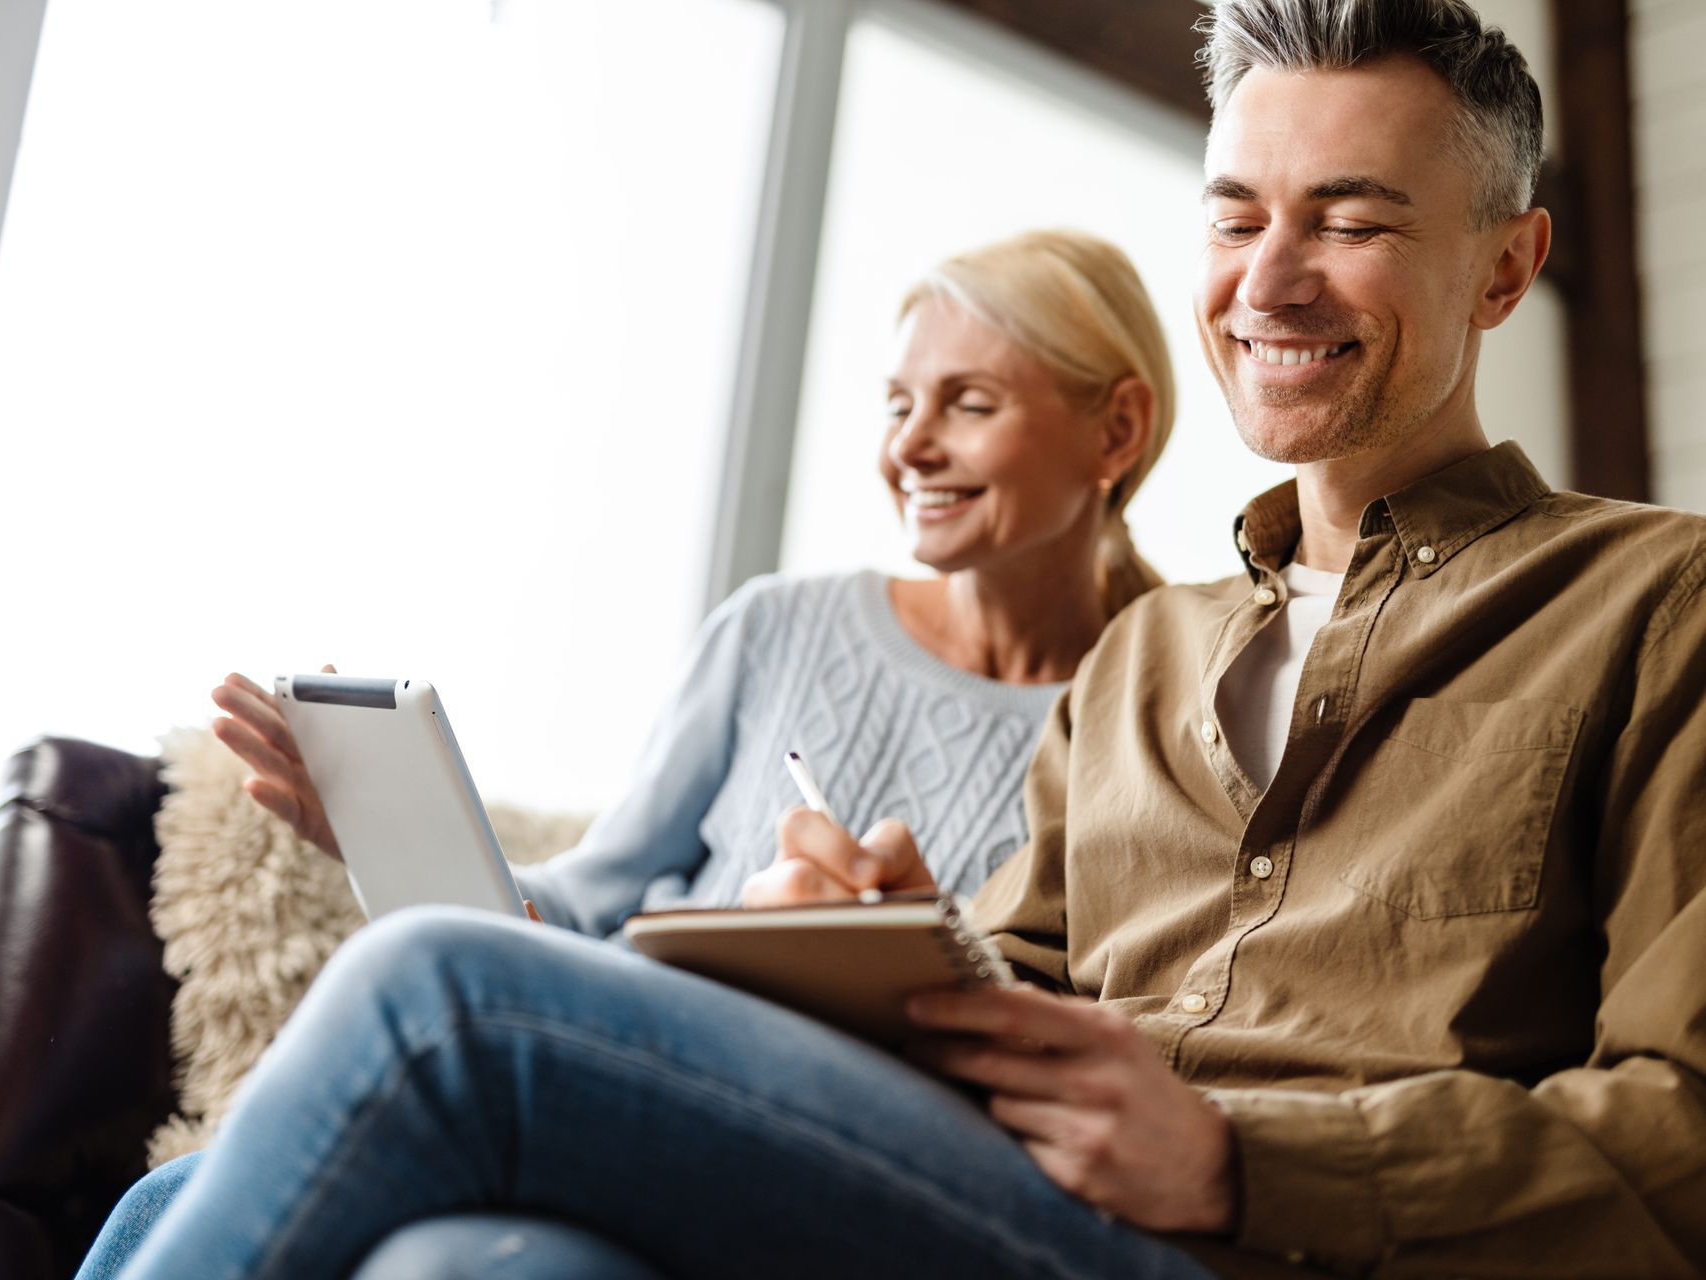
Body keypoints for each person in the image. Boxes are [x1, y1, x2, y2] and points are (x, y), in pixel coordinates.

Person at [113, 1, 1706, 1274]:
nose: (1269, 279)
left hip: (1271, 1245)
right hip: (1012, 1213)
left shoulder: (1657, 607)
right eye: (1236, 219)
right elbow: (1007, 992)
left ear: (1508, 264)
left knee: (436, 998)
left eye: (1349, 220)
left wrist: (1237, 1158)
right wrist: (872, 953)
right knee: (477, 1264)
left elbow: (1687, 1130)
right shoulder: (1143, 668)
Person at [74, 227, 1183, 1278]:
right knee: (188, 1210)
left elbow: (1121, 1037)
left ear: (1116, 431)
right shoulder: (780, 627)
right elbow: (588, 901)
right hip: (615, 1091)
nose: (910, 444)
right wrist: (379, 828)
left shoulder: (1162, 720)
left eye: (969, 403)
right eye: (897, 402)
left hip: (824, 1165)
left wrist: (914, 957)